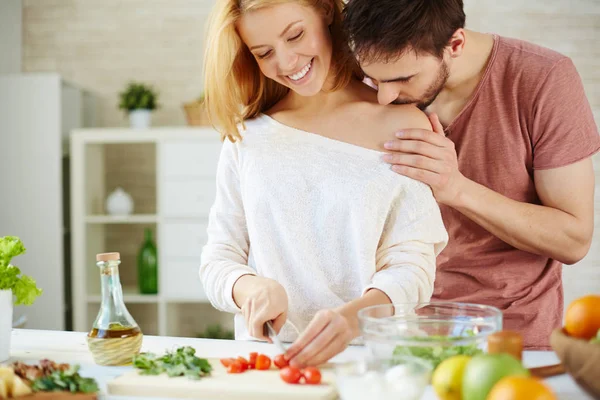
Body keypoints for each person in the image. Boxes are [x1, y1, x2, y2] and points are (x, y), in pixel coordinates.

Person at [199, 0, 448, 367]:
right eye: (264, 53)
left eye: (295, 35)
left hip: (375, 362)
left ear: (325, 12)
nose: (286, 63)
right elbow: (219, 258)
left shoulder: (403, 125)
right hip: (273, 365)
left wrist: (353, 319)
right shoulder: (247, 139)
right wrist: (250, 288)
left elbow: (413, 266)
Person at [343, 0, 600, 349]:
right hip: (396, 332)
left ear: (456, 44)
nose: (385, 97)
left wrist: (456, 188)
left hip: (508, 338)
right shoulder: (367, 85)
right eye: (374, 78)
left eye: (403, 78)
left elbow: (573, 239)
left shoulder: (543, 78)